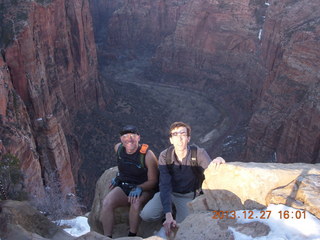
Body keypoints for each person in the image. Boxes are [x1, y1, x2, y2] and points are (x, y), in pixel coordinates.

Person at [140, 121, 225, 236]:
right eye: (175, 135)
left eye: (183, 134)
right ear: (171, 140)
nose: (179, 138)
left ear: (188, 138)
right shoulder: (165, 156)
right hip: (169, 193)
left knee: (182, 226)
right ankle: (170, 210)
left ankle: (175, 211)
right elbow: (165, 185)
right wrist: (168, 214)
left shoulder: (198, 154)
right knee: (146, 215)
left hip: (187, 196)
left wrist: (218, 159)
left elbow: (211, 173)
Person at [100, 125, 158, 238]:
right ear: (121, 139)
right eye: (125, 136)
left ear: (138, 138)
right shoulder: (118, 148)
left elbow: (153, 181)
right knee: (107, 202)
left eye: (133, 136)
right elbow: (123, 165)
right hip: (125, 186)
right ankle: (107, 237)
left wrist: (140, 188)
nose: (129, 139)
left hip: (145, 188)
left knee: (135, 203)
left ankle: (132, 236)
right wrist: (118, 178)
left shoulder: (147, 155)